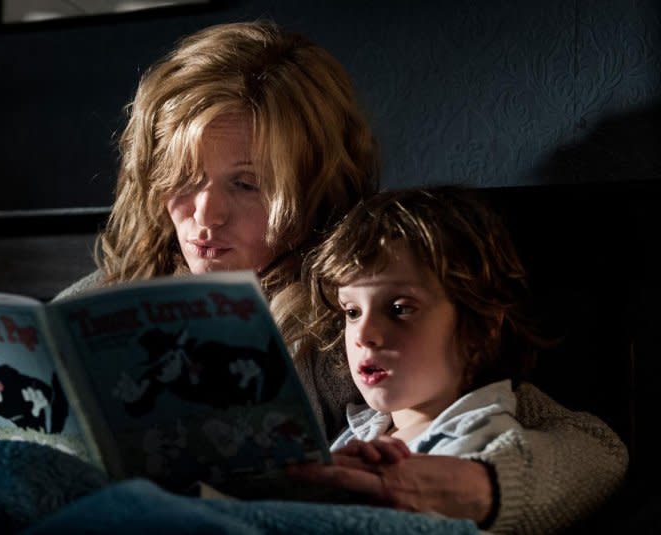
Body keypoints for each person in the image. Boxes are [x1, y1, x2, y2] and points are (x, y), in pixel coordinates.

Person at [57, 20, 628, 534]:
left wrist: (480, 489)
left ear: (312, 188)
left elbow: (594, 448)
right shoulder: (107, 296)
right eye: (183, 177)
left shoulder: (343, 317)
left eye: (247, 184)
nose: (205, 217)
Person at [287, 187, 554, 526]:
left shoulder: (485, 445)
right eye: (352, 311)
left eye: (399, 309)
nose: (364, 334)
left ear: (479, 329)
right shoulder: (361, 432)